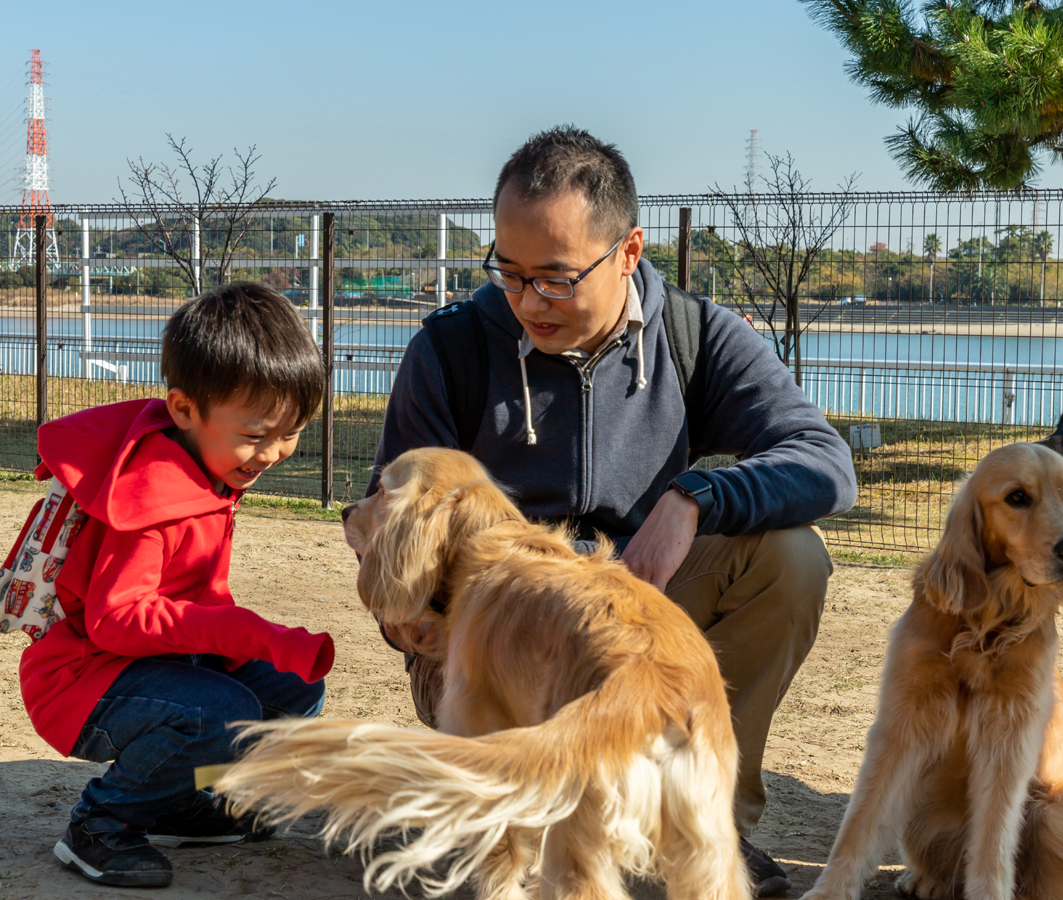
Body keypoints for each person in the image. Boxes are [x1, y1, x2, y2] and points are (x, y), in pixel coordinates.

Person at [369, 126, 857, 897]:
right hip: (494, 650)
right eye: (510, 272)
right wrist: (421, 615)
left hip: (638, 608)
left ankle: (706, 817)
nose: (529, 301)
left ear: (629, 251)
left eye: (558, 278)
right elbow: (390, 538)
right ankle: (517, 808)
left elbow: (827, 464)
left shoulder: (699, 337)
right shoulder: (450, 352)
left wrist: (695, 496)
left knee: (791, 556)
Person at [19, 283, 336, 888]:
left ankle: (182, 805)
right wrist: (249, 633)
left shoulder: (208, 471)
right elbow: (118, 618)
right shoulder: (148, 497)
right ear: (186, 409)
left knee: (294, 687)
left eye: (290, 433)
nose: (272, 453)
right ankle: (101, 822)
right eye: (255, 433)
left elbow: (196, 600)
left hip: (157, 666)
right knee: (221, 713)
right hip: (83, 682)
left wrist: (260, 647)